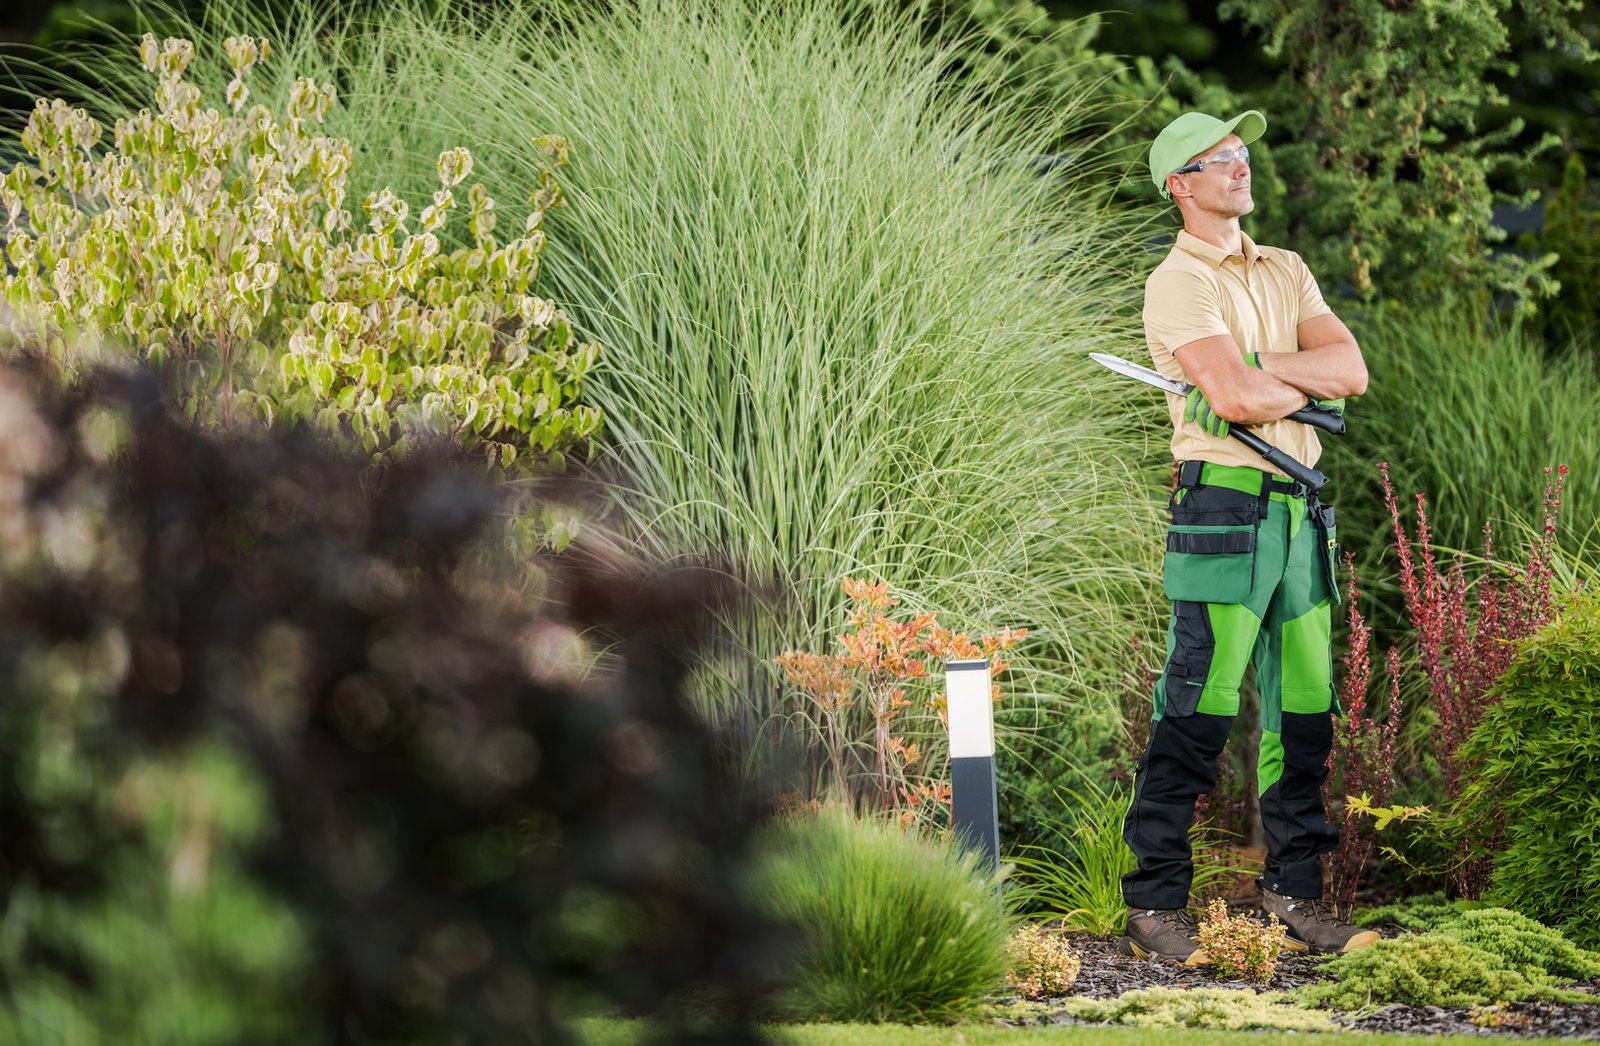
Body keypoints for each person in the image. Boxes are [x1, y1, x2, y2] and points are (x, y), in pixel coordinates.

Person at [1118, 109, 1378, 965]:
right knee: (1200, 703)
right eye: (1216, 159)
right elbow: (1230, 400)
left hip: (1301, 511)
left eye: (1241, 152)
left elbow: (1351, 371)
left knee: (1305, 707)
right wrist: (1270, 388)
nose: (1239, 165)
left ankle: (1292, 896)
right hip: (1223, 511)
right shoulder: (1177, 282)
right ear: (1179, 186)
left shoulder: (1287, 267)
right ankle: (1156, 903)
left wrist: (1266, 385)